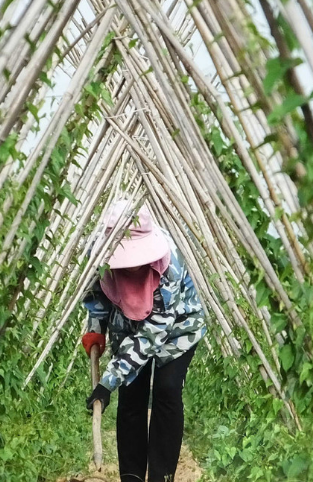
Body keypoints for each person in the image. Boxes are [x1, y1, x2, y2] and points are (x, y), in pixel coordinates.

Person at [82, 200, 207, 482]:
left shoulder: (169, 266)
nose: (133, 268)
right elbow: (94, 296)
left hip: (178, 326)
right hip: (125, 324)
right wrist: (97, 326)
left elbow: (153, 334)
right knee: (132, 392)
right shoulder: (96, 257)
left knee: (167, 389)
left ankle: (161, 477)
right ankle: (132, 477)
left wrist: (106, 383)